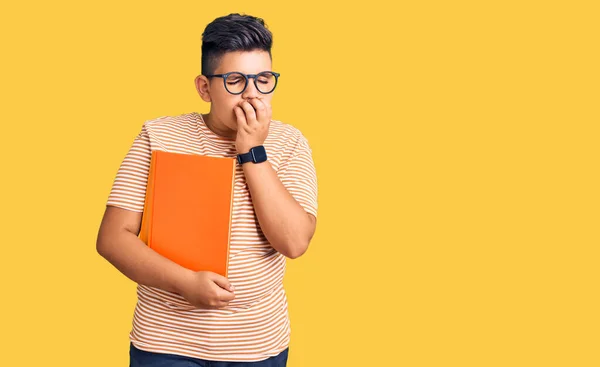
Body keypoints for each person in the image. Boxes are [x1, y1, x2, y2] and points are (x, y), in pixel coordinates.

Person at [96, 13, 318, 367]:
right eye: (235, 81)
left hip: (257, 344)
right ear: (204, 87)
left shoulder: (290, 142)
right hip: (165, 342)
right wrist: (186, 283)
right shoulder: (158, 136)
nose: (251, 95)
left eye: (263, 80)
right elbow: (112, 239)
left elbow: (293, 242)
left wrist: (252, 151)